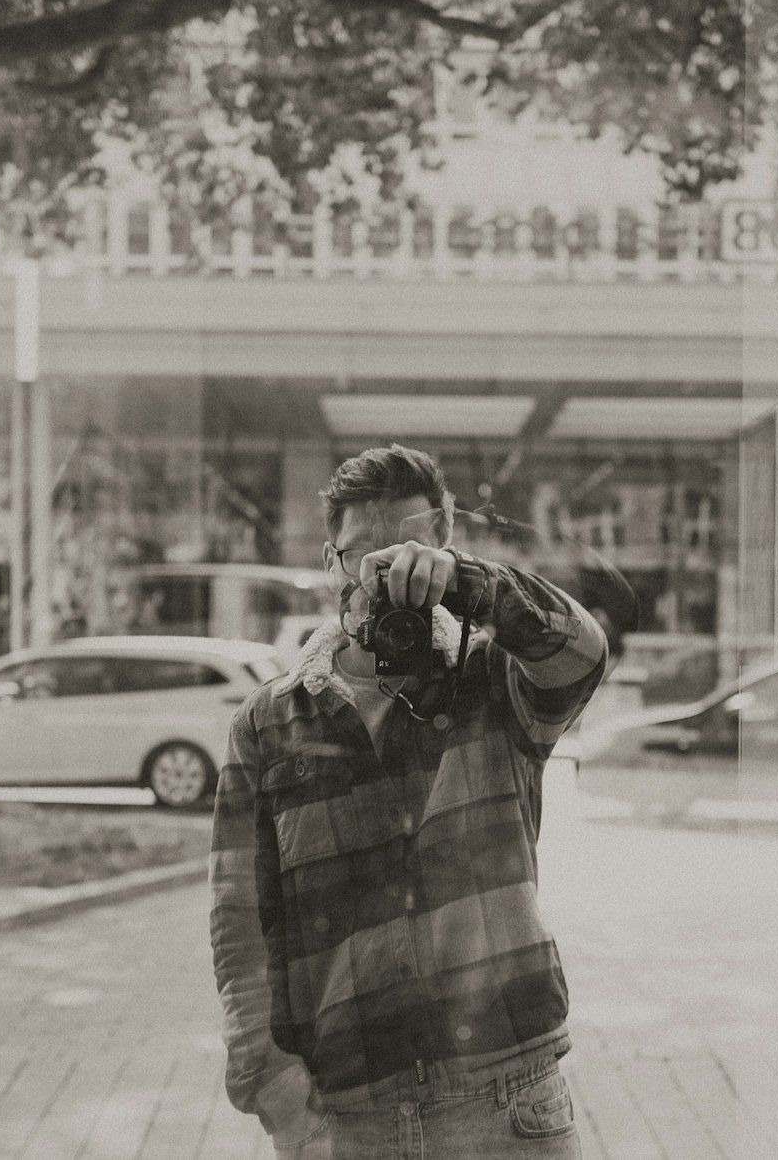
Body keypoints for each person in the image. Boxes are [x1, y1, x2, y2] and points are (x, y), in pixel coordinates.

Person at [210, 444, 608, 1159]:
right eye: (364, 554)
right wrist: (276, 1095)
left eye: (406, 550)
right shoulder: (269, 723)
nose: (383, 575)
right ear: (333, 564)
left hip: (508, 1102)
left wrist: (477, 588)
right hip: (347, 1117)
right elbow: (240, 923)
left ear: (443, 543)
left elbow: (580, 653)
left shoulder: (494, 681)